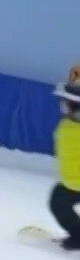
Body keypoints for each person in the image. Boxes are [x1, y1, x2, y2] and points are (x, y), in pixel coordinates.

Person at [51, 73, 80, 250]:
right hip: (71, 183)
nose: (63, 109)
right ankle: (78, 235)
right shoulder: (67, 125)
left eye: (67, 105)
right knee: (58, 202)